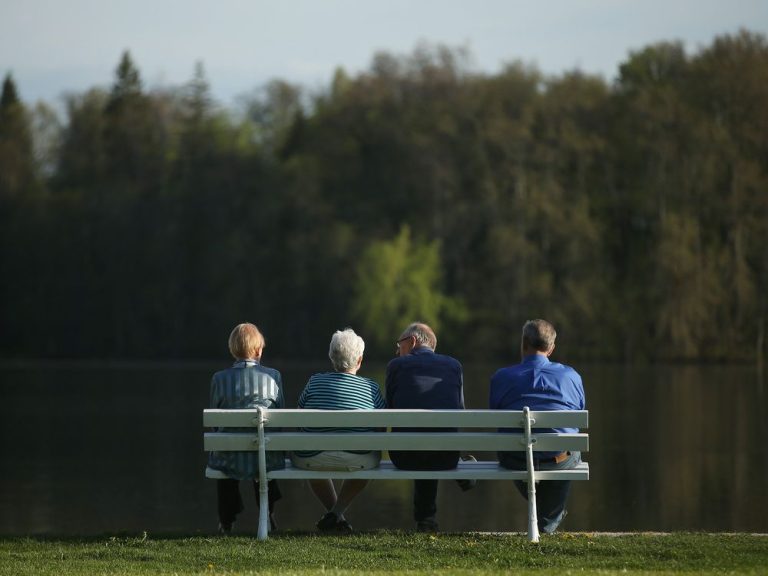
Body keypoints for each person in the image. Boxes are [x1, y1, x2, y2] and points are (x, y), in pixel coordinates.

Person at [489, 319, 586, 534]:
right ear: (551, 348)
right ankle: (548, 521)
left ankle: (548, 519)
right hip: (558, 461)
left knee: (517, 447)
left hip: (516, 459)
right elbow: (578, 410)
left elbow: (495, 415)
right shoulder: (571, 376)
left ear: (523, 344)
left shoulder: (501, 377)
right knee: (570, 447)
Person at [291, 328, 386, 533]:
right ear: (359, 360)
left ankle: (337, 518)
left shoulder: (314, 382)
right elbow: (380, 428)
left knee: (313, 455)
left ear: (331, 358)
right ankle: (337, 514)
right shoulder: (371, 387)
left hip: (312, 458)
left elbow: (298, 419)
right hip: (359, 459)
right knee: (369, 459)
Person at [385, 321, 474, 532]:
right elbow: (459, 411)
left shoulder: (396, 366)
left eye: (400, 345)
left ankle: (426, 519)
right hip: (446, 457)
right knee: (434, 440)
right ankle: (427, 518)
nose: (398, 350)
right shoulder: (454, 366)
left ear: (413, 341)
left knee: (420, 441)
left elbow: (388, 409)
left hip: (403, 457)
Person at [207, 323, 285, 534]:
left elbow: (215, 419)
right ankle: (268, 514)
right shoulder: (274, 377)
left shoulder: (219, 379)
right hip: (266, 455)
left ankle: (226, 521)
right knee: (264, 450)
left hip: (229, 456)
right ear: (259, 350)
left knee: (226, 450)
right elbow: (279, 417)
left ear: (233, 350)